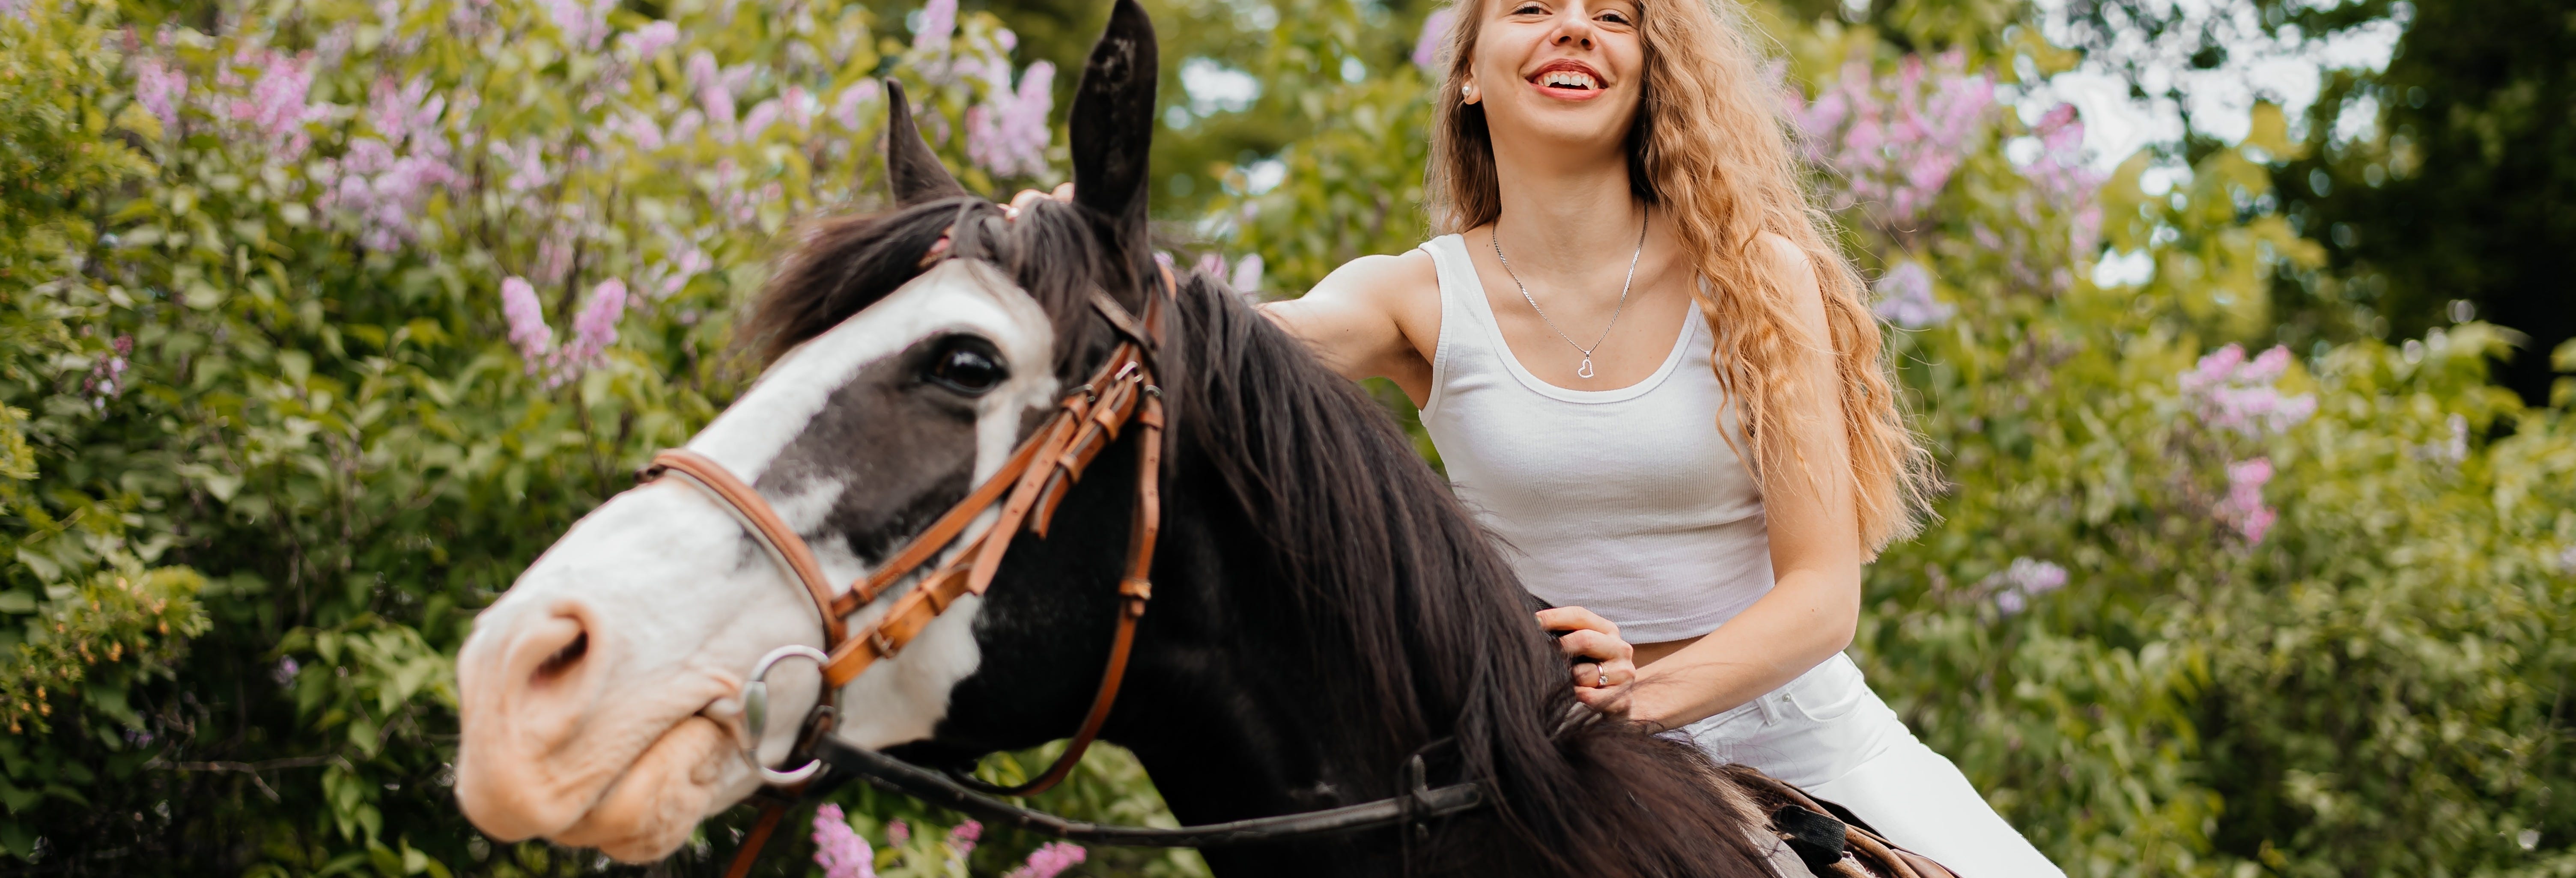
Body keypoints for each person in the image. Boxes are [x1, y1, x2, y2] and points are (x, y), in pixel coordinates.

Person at [1253, 0, 2066, 874]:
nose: (1572, 27)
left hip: (1800, 743)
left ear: (1650, 74)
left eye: (1612, 15)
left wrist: (1634, 698)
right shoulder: (1412, 297)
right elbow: (1226, 338)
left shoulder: (1753, 279)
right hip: (1564, 767)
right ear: (1466, 76)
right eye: (1531, 7)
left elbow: (1821, 596)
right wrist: (1101, 260)